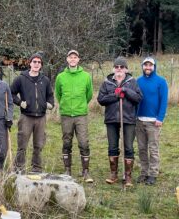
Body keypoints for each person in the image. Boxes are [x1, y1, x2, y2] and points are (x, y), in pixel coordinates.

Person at [97, 57, 142, 187]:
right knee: (112, 146)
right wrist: (115, 95)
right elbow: (101, 99)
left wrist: (126, 91)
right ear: (113, 69)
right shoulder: (107, 82)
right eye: (117, 67)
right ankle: (113, 174)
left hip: (128, 119)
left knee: (128, 146)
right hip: (111, 119)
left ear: (126, 69)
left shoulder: (132, 82)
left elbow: (138, 98)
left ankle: (128, 176)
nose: (119, 69)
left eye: (122, 67)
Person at [10, 53, 54, 173]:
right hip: (26, 117)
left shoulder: (45, 80)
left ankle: (36, 168)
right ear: (30, 63)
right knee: (22, 144)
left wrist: (50, 104)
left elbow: (50, 95)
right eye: (34, 61)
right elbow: (11, 93)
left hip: (41, 117)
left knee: (38, 145)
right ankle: (19, 169)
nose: (36, 64)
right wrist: (19, 102)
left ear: (41, 65)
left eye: (39, 62)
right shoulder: (21, 78)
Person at [55, 50, 94, 183]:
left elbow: (89, 95)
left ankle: (85, 171)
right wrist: (65, 105)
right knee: (67, 141)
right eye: (70, 57)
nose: (72, 59)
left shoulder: (86, 76)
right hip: (66, 114)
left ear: (78, 60)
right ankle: (67, 170)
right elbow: (58, 94)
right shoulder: (60, 76)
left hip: (81, 114)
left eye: (75, 57)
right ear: (67, 60)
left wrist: (80, 105)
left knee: (83, 142)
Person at [136, 57, 168, 185]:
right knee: (142, 148)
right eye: (145, 65)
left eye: (150, 65)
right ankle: (144, 172)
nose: (148, 67)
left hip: (153, 121)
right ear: (142, 66)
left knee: (153, 148)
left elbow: (164, 101)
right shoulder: (138, 81)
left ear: (154, 67)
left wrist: (160, 118)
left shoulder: (161, 82)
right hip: (139, 120)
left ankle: (153, 173)